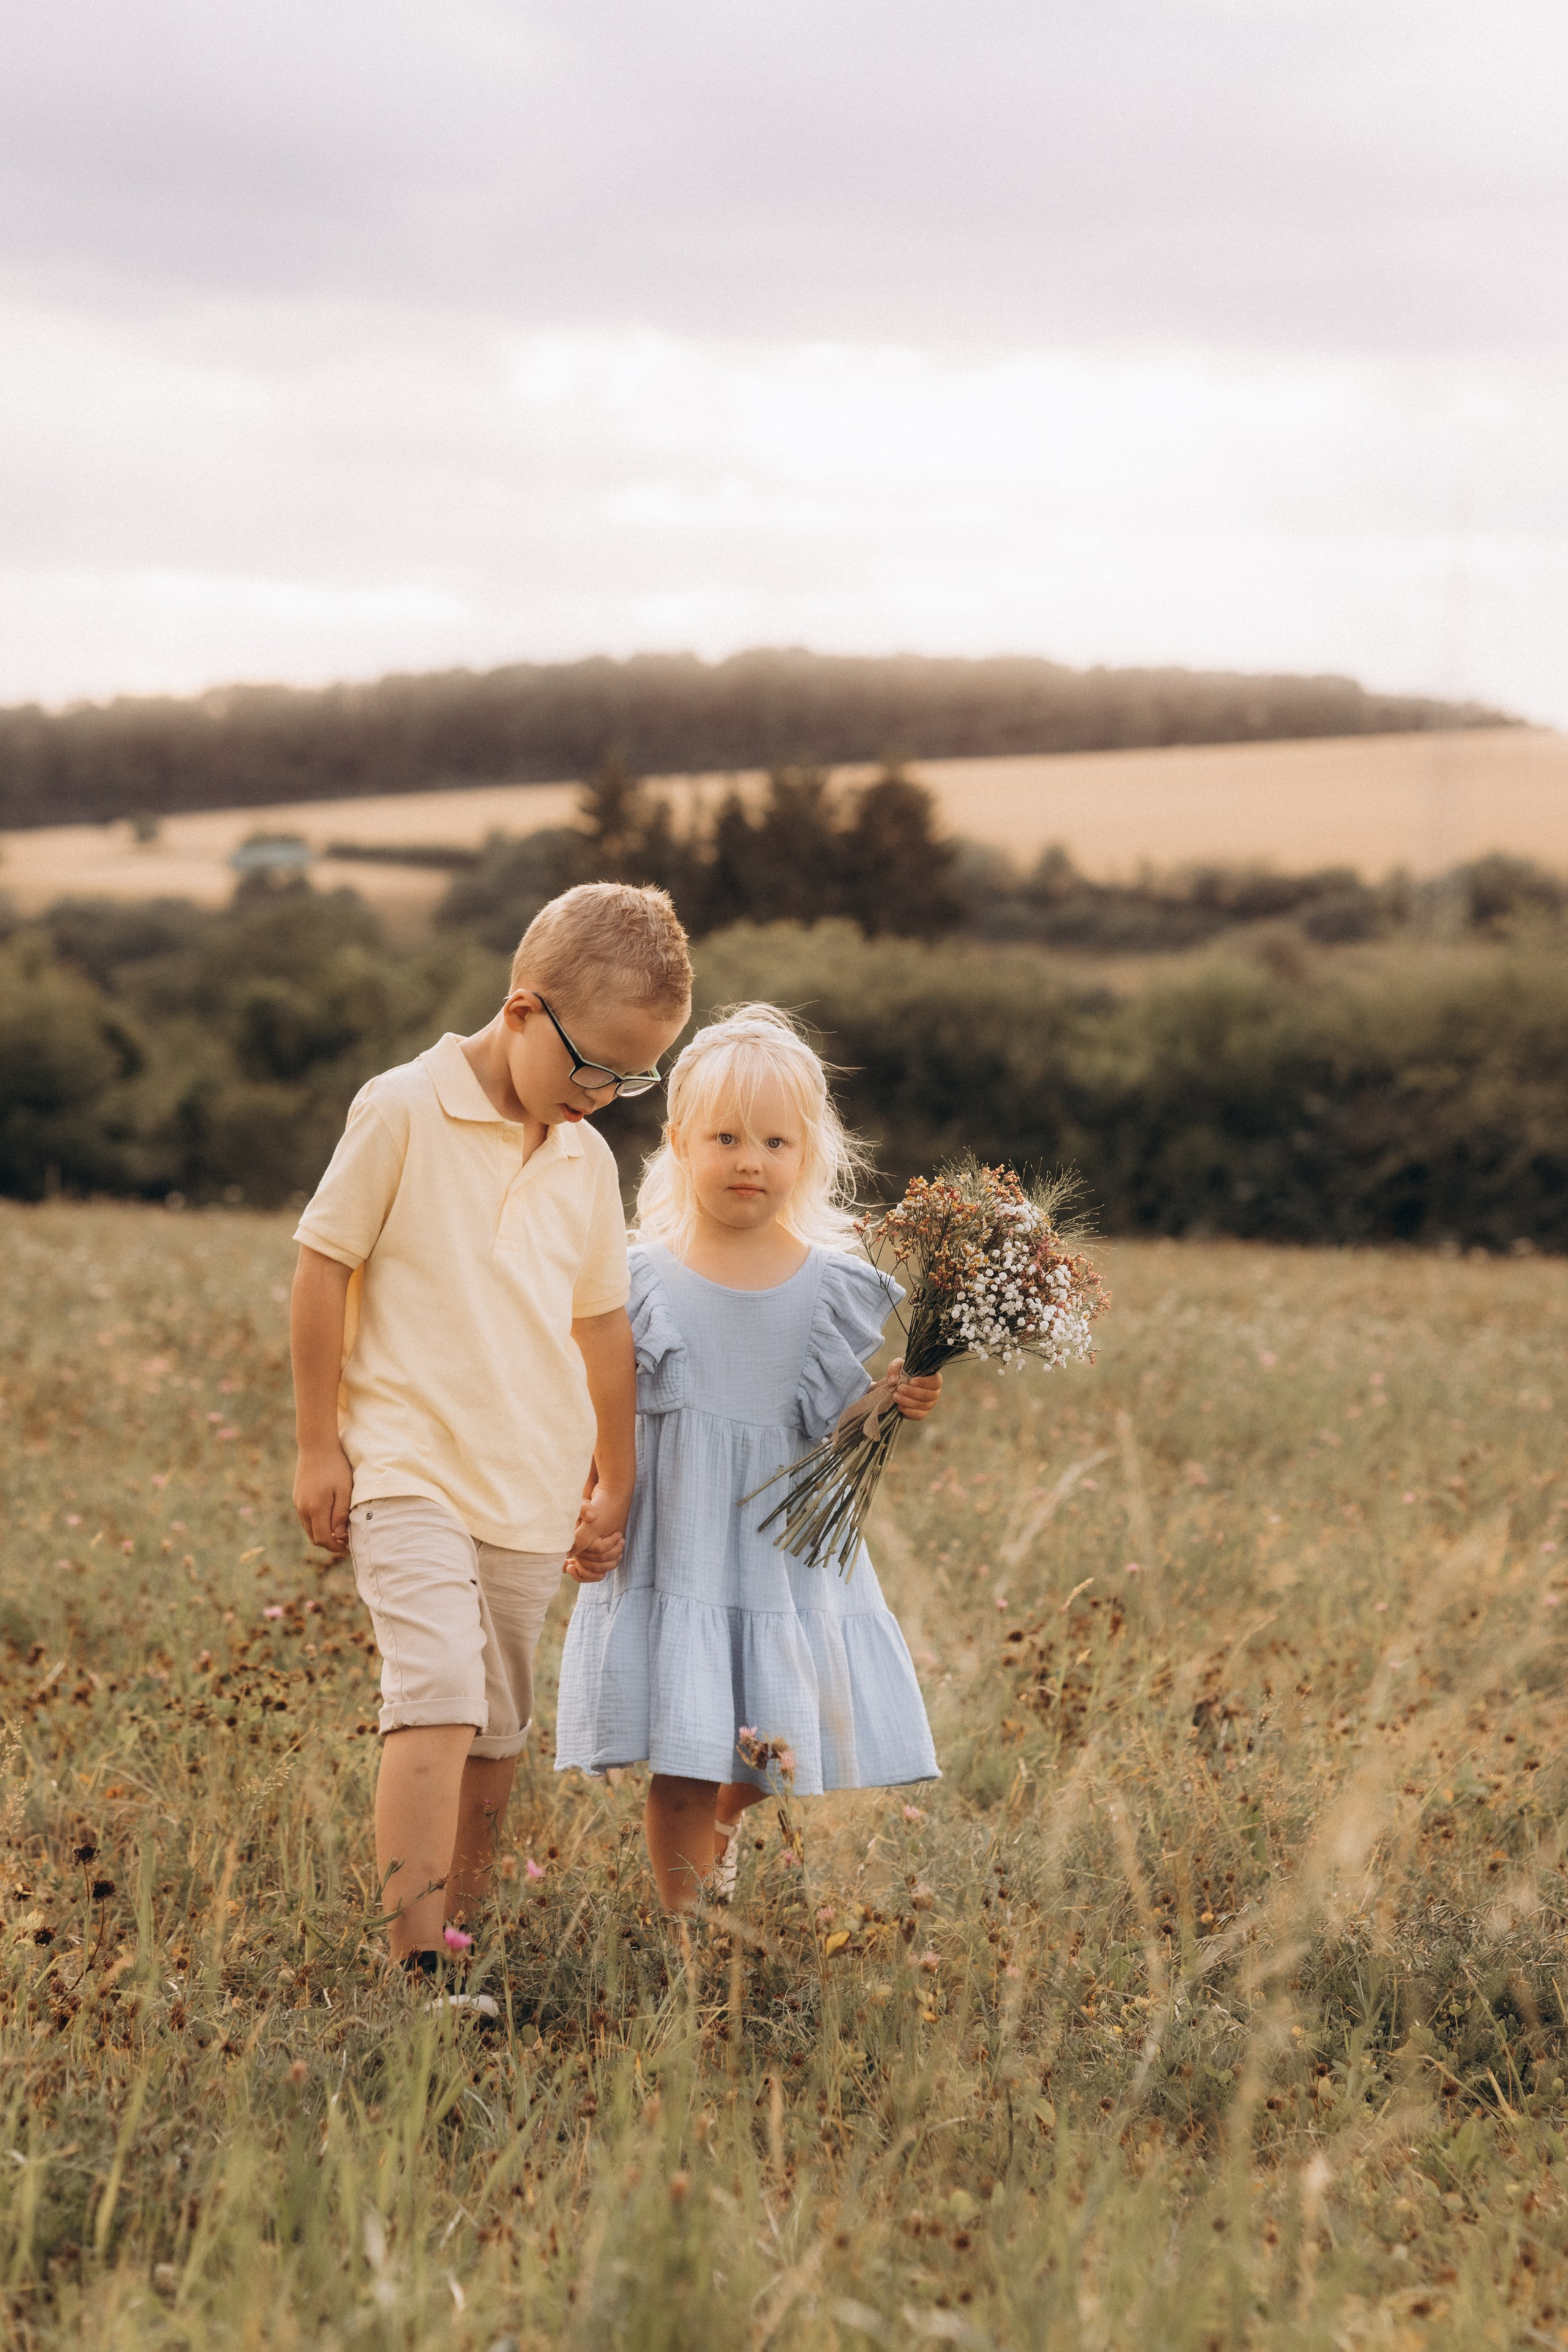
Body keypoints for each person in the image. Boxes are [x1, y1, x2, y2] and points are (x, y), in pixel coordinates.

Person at [289, 883, 692, 1986]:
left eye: (632, 1078)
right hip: (408, 1464)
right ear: (523, 1011)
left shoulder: (583, 1160)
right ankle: (412, 1973)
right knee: (438, 1691)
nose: (605, 1097)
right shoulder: (401, 1109)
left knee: (498, 1736)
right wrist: (319, 1445)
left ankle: (455, 1946)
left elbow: (601, 1324)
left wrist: (618, 1474)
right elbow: (323, 1266)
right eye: (591, 1067)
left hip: (529, 1481)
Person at [554, 1003, 941, 1911]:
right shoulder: (636, 1277)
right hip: (677, 1543)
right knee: (688, 1759)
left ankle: (722, 1842)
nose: (749, 1161)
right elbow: (599, 1410)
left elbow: (824, 1427)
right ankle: (686, 1931)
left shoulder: (831, 1284)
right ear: (680, 1142)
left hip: (780, 1556)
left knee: (770, 1753)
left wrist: (889, 1400)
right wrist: (587, 1513)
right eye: (725, 1137)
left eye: (775, 1141)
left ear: (808, 1154)